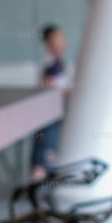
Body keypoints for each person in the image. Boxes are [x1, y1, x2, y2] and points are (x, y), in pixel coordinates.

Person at [30, 23, 71, 181]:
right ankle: (39, 176)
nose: (62, 41)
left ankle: (44, 175)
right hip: (47, 111)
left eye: (62, 38)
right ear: (49, 43)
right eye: (58, 38)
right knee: (44, 144)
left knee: (49, 145)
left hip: (54, 111)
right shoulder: (51, 65)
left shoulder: (59, 63)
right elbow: (50, 86)